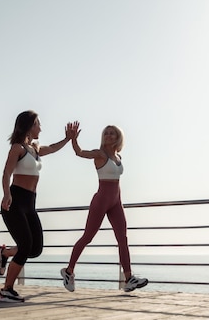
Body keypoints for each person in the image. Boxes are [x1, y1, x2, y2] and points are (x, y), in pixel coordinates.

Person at [0, 110, 74, 302]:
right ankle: (6, 290)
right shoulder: (17, 148)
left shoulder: (35, 148)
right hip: (14, 202)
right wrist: (6, 194)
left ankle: (4, 253)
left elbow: (53, 148)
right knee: (25, 246)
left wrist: (67, 139)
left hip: (30, 204)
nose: (41, 127)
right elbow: (6, 173)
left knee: (35, 249)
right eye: (38, 123)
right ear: (29, 126)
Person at [61, 122, 148, 293]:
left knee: (123, 239)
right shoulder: (100, 154)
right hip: (101, 200)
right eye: (106, 133)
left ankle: (129, 278)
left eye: (112, 133)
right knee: (88, 236)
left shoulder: (118, 158)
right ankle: (69, 271)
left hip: (116, 202)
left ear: (118, 138)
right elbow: (80, 153)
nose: (108, 135)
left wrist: (118, 202)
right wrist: (73, 140)